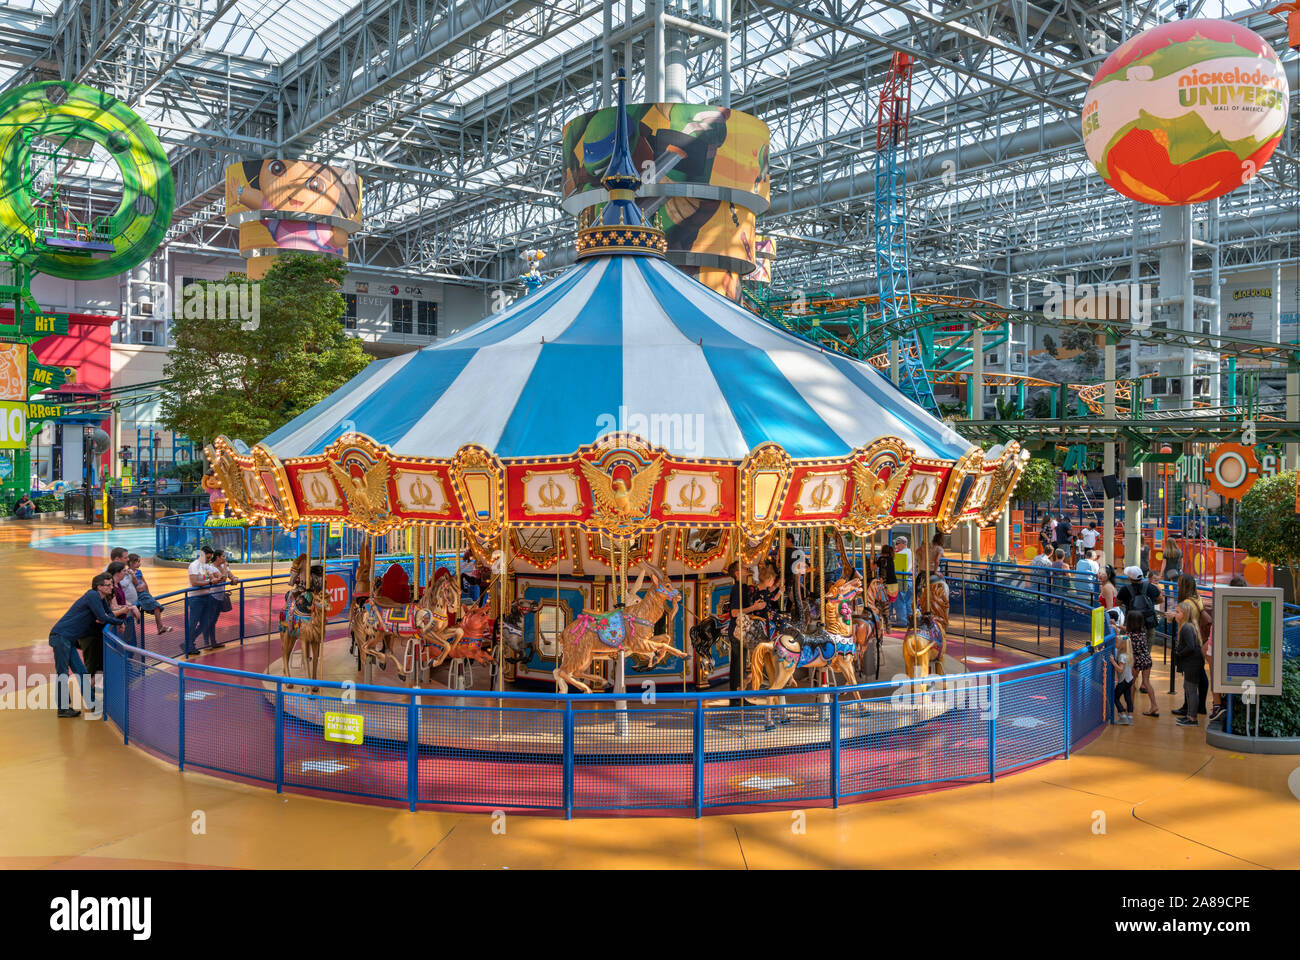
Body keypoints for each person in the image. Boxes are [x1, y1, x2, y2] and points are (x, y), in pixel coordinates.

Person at [48, 573, 125, 717]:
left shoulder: (100, 598)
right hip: (60, 637)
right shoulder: (92, 596)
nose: (111, 587)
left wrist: (118, 619)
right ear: (99, 587)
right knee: (63, 673)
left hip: (68, 639)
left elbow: (109, 613)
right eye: (108, 585)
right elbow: (103, 617)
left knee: (81, 672)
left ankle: (92, 704)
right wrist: (120, 623)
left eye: (111, 584)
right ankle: (63, 708)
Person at [1167, 574, 1210, 719]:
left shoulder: (1187, 603)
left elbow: (1185, 618)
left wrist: (1173, 616)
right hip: (1199, 638)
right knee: (1201, 676)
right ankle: (1200, 706)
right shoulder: (1197, 598)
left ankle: (1189, 709)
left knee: (1190, 683)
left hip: (1190, 641)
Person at [1173, 599, 1206, 727]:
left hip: (1192, 663)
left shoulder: (1186, 627)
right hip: (1194, 662)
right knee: (1188, 688)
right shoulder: (1189, 625)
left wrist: (1179, 653)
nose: (1175, 614)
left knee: (1191, 689)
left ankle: (1192, 718)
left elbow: (1191, 647)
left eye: (1178, 612)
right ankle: (1189, 715)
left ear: (1185, 614)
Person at [186, 545, 223, 655]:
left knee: (205, 623)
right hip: (196, 598)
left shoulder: (206, 566)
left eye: (209, 558)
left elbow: (213, 576)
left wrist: (216, 579)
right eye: (207, 557)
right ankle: (189, 645)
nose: (208, 560)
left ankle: (189, 642)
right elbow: (194, 583)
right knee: (193, 622)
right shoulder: (194, 566)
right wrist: (211, 582)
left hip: (206, 597)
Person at [126, 553, 173, 634]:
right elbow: (135, 584)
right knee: (157, 607)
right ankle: (160, 626)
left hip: (145, 593)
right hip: (140, 594)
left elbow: (144, 582)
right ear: (131, 563)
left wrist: (148, 593)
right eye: (138, 561)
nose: (139, 563)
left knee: (157, 607)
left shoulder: (139, 571)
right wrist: (134, 576)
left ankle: (160, 626)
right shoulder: (128, 573)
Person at [1125, 608, 1159, 717]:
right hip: (1146, 659)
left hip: (1136, 660)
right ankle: (1154, 705)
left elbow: (1124, 638)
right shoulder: (1143, 631)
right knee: (1146, 682)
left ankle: (1130, 705)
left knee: (1131, 683)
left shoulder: (1129, 636)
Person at [1111, 629, 1135, 725]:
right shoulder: (1128, 655)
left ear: (1122, 645)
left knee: (1114, 697)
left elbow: (1120, 669)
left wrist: (1112, 661)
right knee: (1128, 697)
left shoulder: (1122, 657)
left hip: (1123, 681)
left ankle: (1123, 716)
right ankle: (1130, 716)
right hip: (1130, 680)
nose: (1115, 643)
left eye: (1116, 642)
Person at [892, 535, 913, 624]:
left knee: (899, 601)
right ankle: (910, 620)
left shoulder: (900, 554)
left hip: (901, 580)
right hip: (910, 579)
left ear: (902, 544)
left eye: (897, 544)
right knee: (908, 602)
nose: (896, 546)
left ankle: (902, 621)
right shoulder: (910, 552)